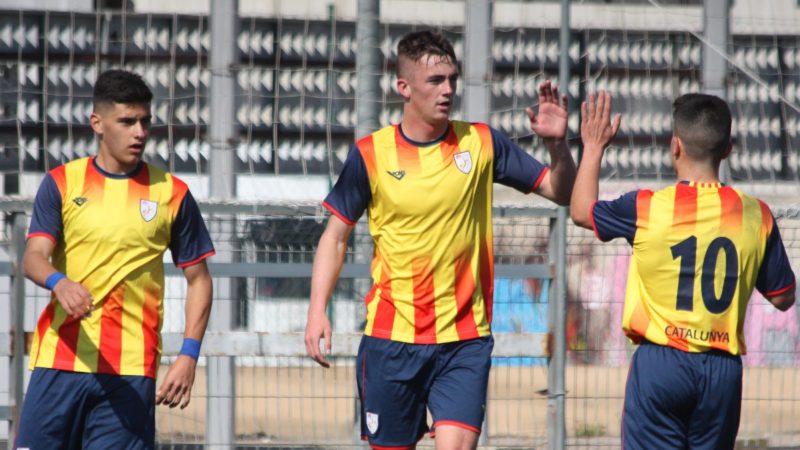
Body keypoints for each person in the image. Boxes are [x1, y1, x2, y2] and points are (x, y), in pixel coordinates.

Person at [304, 30, 576, 450]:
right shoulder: (371, 154)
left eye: (452, 78)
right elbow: (335, 237)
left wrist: (558, 146)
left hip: (463, 340)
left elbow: (560, 192)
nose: (448, 89)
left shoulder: (481, 142)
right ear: (404, 87)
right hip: (391, 340)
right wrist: (317, 310)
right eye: (435, 81)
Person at [571, 91, 796, 449]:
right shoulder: (757, 215)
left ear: (675, 146)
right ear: (728, 150)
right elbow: (784, 296)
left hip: (662, 363)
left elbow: (582, 211)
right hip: (721, 370)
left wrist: (594, 147)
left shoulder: (647, 207)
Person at [15, 69, 215, 449]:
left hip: (130, 370)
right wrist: (60, 282)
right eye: (127, 121)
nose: (139, 132)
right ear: (98, 123)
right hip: (60, 360)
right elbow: (34, 258)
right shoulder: (62, 182)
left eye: (145, 121)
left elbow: (199, 279)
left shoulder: (172, 193)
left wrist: (189, 354)